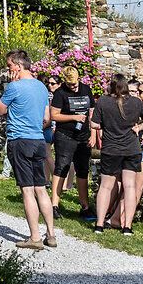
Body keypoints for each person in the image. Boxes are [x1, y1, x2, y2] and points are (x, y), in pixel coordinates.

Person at [0, 49, 56, 250]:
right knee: (41, 188)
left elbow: (0, 109)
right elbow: (47, 118)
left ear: (18, 67)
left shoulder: (15, 86)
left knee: (27, 190)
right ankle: (51, 234)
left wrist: (11, 87)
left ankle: (35, 237)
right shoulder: (41, 87)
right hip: (38, 140)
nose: (8, 70)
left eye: (10, 66)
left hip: (20, 140)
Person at [90, 75, 143, 234]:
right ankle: (127, 226)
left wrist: (105, 125)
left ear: (112, 87)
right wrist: (139, 127)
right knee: (130, 187)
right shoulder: (135, 102)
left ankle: (99, 224)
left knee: (106, 187)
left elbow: (94, 124)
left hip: (111, 149)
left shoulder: (103, 101)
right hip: (131, 149)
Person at [48, 65, 95, 221]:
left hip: (84, 136)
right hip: (65, 135)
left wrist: (93, 134)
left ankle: (85, 206)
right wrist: (73, 117)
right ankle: (54, 205)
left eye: (75, 84)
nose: (74, 88)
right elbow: (54, 115)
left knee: (82, 170)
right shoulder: (60, 93)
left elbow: (92, 113)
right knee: (62, 167)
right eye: (70, 85)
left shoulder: (86, 90)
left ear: (79, 79)